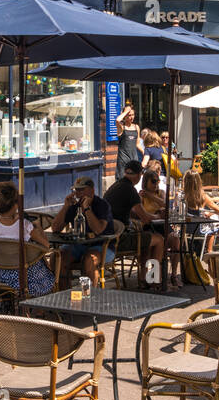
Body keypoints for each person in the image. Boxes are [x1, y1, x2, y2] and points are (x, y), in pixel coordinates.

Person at [0, 181, 55, 297]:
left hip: (2, 274)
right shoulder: (24, 225)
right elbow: (46, 246)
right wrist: (38, 227)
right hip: (26, 277)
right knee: (48, 267)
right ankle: (39, 307)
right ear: (16, 205)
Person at [104, 160, 166, 288]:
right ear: (139, 175)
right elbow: (146, 218)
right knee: (159, 240)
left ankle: (144, 278)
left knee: (147, 238)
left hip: (107, 236)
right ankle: (153, 280)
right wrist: (159, 216)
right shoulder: (130, 190)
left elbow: (134, 213)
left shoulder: (116, 185)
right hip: (119, 238)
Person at [52, 175, 115, 286]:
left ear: (92, 190)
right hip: (79, 245)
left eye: (81, 189)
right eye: (76, 190)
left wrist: (86, 208)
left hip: (103, 245)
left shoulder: (102, 205)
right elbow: (56, 228)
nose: (78, 193)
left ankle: (88, 296)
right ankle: (64, 294)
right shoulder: (75, 206)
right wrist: (66, 206)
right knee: (57, 258)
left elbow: (98, 230)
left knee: (89, 260)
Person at [182, 169, 219, 253]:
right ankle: (210, 250)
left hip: (186, 227)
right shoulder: (203, 196)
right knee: (215, 220)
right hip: (199, 228)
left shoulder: (182, 196)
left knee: (213, 219)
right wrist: (209, 213)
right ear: (199, 182)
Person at [115, 105, 143, 180]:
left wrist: (144, 152)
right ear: (125, 116)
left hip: (134, 159)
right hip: (123, 160)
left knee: (134, 180)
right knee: (122, 181)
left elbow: (137, 144)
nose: (131, 117)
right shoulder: (121, 127)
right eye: (129, 115)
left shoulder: (136, 127)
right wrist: (126, 111)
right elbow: (117, 120)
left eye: (132, 115)